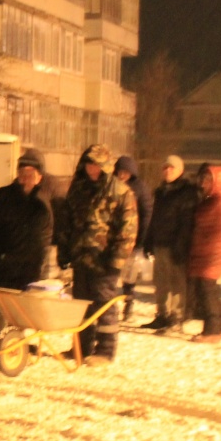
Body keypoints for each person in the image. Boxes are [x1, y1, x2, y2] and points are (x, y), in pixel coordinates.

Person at [55, 144, 138, 367]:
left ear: (105, 166)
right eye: (89, 164)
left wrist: (117, 259)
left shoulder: (121, 192)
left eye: (96, 165)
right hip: (81, 257)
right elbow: (66, 222)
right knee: (81, 303)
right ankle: (81, 346)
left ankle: (105, 350)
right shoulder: (77, 189)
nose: (92, 169)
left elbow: (127, 230)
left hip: (105, 260)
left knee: (104, 304)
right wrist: (63, 251)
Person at [0, 148, 54, 348]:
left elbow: (46, 239)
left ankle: (23, 343)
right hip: (3, 262)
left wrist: (43, 266)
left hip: (31, 266)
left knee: (27, 308)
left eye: (31, 174)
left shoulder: (45, 203)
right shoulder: (2, 197)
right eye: (22, 173)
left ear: (40, 177)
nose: (25, 178)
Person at [140, 155, 199, 332]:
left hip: (176, 245)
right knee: (160, 282)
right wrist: (148, 240)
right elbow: (154, 218)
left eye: (171, 168)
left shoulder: (187, 193)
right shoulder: (160, 192)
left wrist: (181, 245)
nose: (167, 171)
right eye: (165, 167)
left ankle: (177, 316)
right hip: (160, 242)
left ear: (180, 170)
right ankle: (162, 314)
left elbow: (187, 222)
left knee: (177, 283)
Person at [187, 165, 221, 343]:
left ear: (219, 181)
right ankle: (218, 327)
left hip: (212, 254)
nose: (203, 183)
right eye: (202, 179)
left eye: (208, 179)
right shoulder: (209, 201)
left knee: (207, 291)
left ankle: (212, 331)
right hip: (203, 252)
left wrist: (206, 248)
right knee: (207, 291)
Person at [113, 155, 152, 321]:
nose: (122, 175)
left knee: (129, 276)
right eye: (120, 172)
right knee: (112, 273)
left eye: (126, 172)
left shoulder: (140, 188)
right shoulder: (112, 185)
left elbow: (146, 213)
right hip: (112, 236)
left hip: (131, 236)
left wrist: (141, 239)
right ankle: (111, 306)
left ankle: (128, 304)